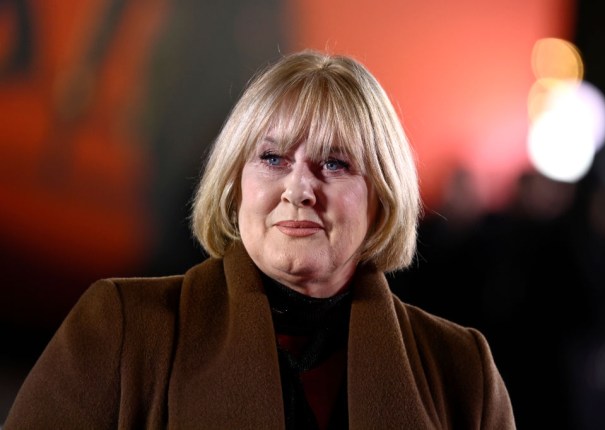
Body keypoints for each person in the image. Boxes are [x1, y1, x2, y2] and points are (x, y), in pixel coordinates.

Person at [4, 50, 516, 429]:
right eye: (273, 159)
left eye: (334, 163)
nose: (299, 189)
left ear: (381, 196)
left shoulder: (462, 370)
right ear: (234, 185)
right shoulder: (120, 329)